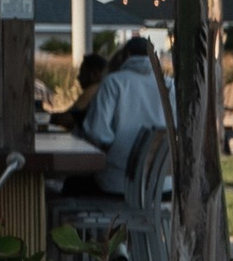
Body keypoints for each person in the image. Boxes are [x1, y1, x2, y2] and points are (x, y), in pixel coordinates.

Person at [73, 33, 170, 194]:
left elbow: (97, 133)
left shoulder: (113, 83)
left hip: (120, 183)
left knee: (72, 184)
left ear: (126, 55)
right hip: (164, 186)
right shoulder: (170, 86)